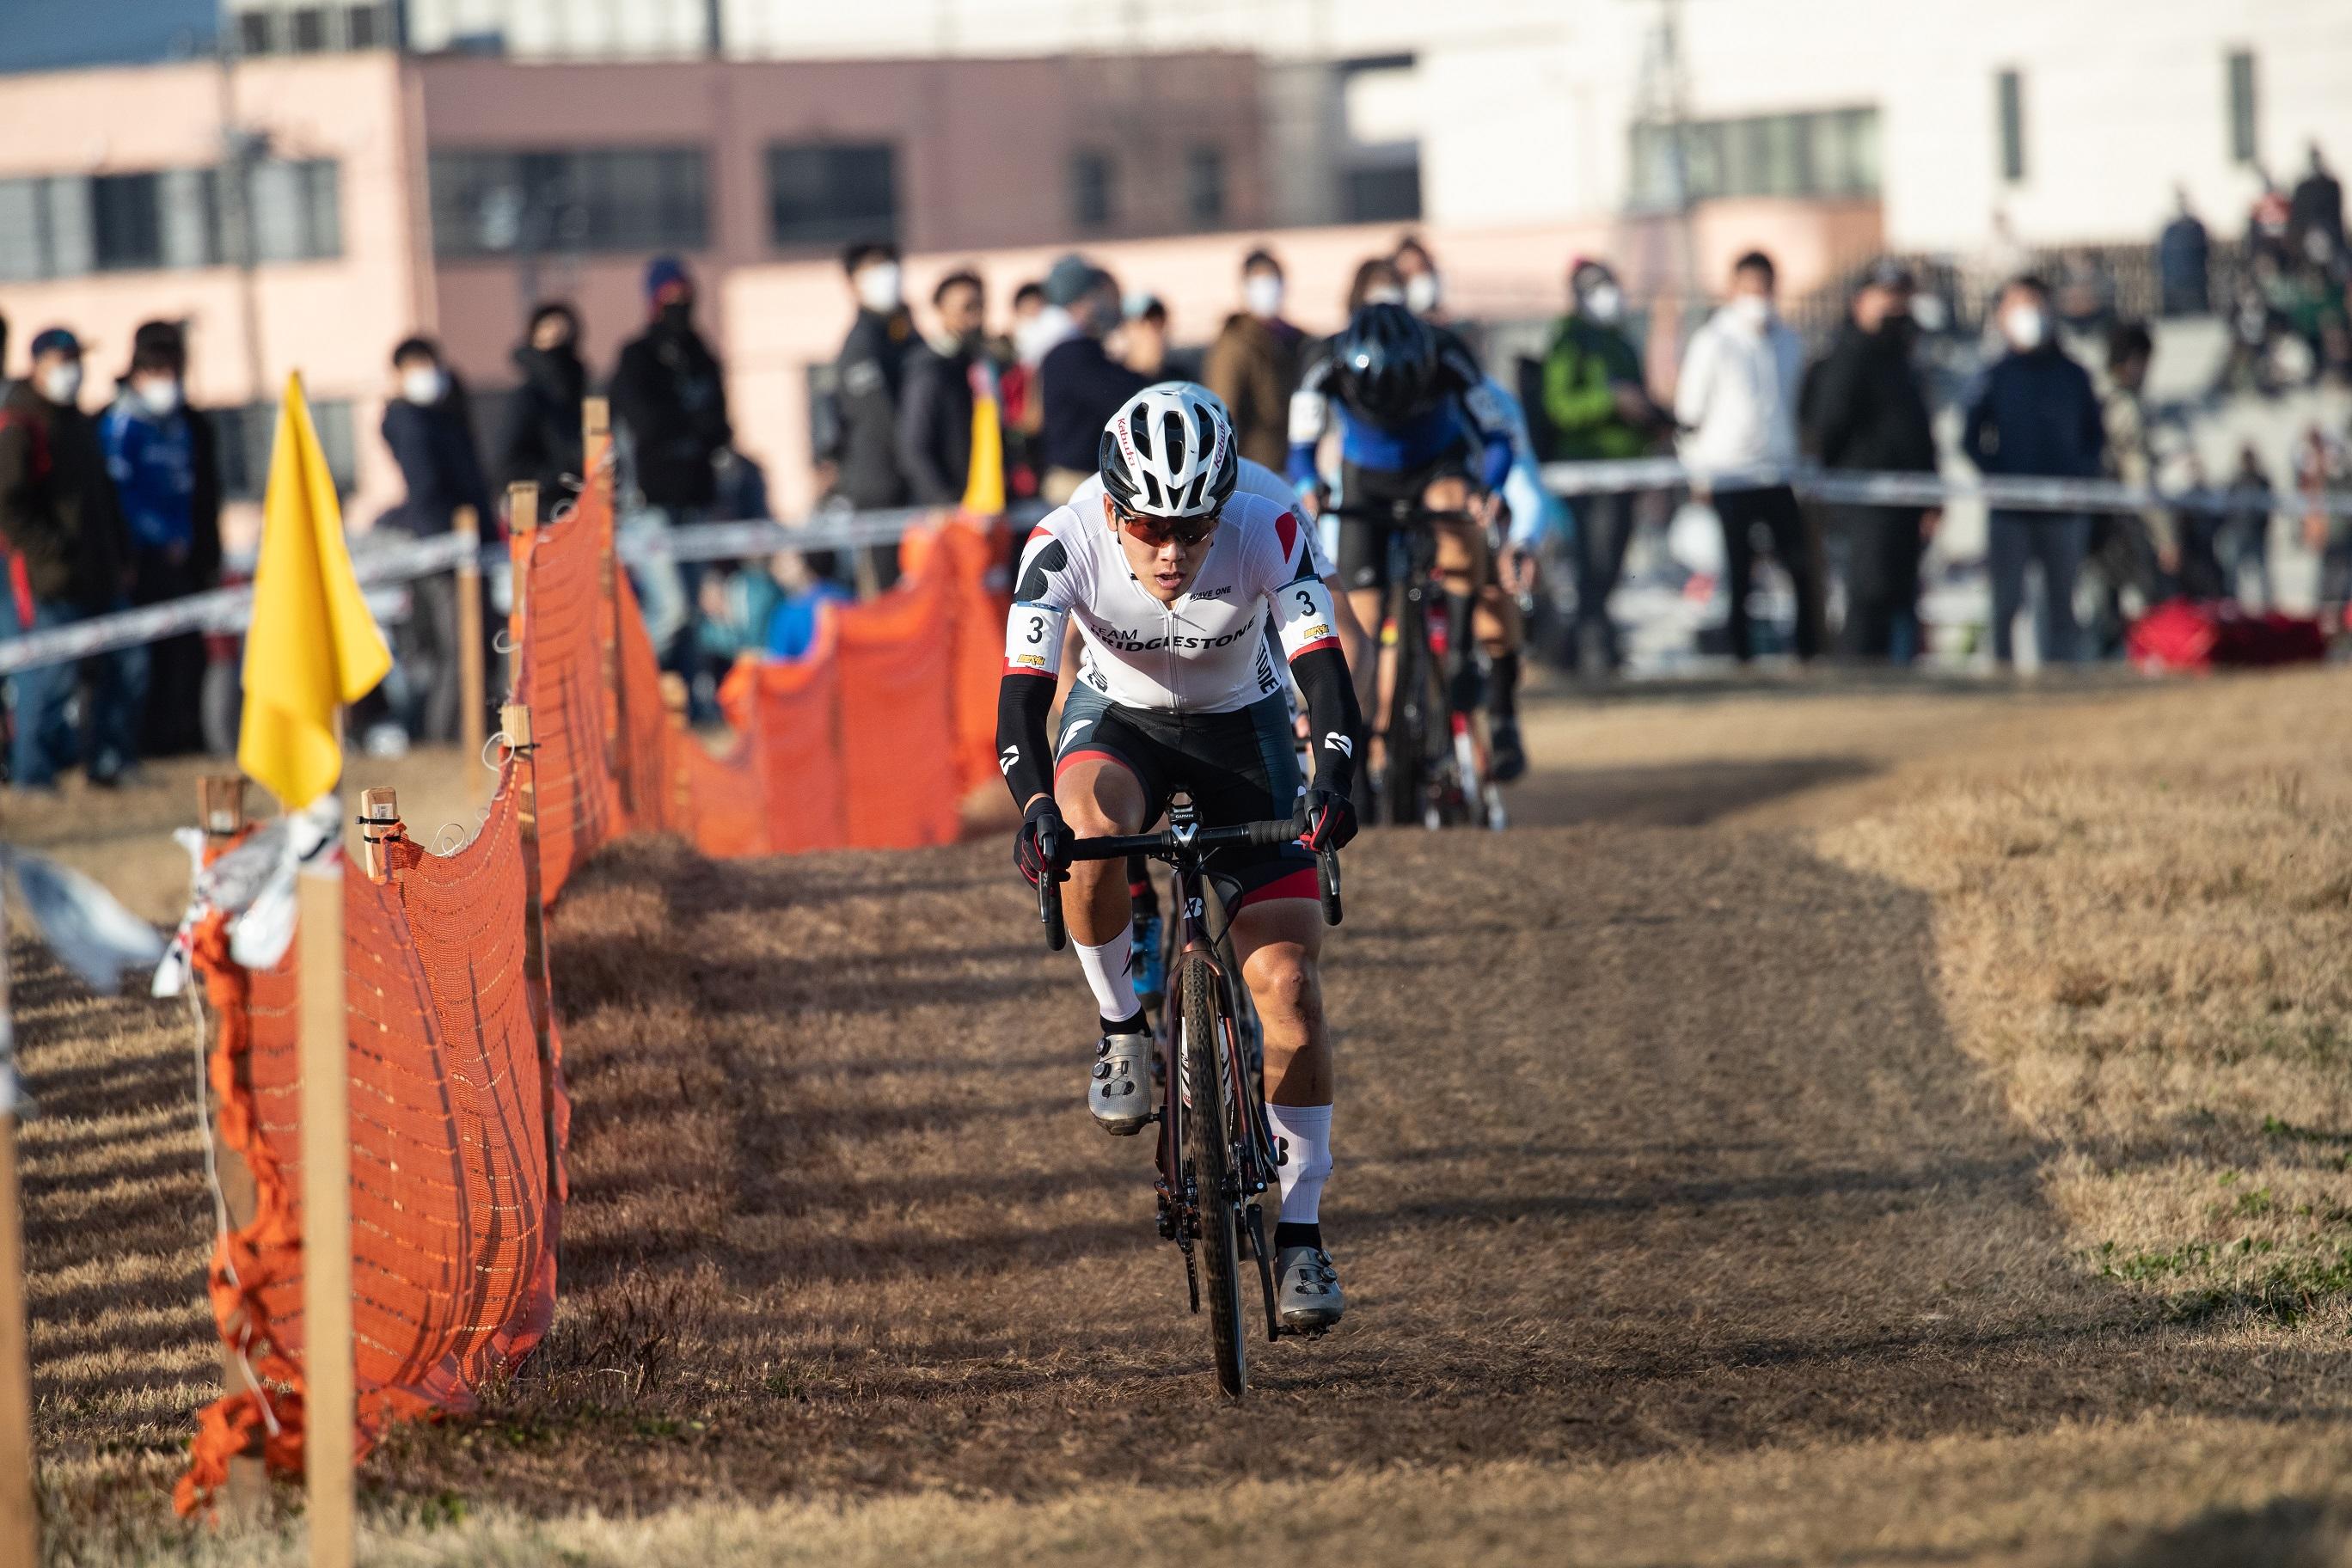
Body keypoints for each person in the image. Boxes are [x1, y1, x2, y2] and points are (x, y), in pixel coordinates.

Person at [999, 383, 1363, 1331]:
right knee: (1081, 831)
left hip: (1245, 728)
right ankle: (1124, 1023)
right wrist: (1035, 806)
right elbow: (1019, 706)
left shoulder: (1271, 519)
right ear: (1114, 507)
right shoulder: (1061, 541)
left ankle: (1301, 1233)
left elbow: (1323, 672)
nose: (1172, 553)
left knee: (1289, 988)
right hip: (1121, 724)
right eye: (1152, 527)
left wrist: (1333, 779)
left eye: (1194, 530)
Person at [1289, 303, 1527, 780]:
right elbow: (1301, 451)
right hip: (1367, 483)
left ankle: (1461, 653)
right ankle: (1364, 751)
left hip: (1439, 467)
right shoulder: (1322, 362)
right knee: (1364, 623)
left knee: (1454, 510)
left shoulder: (1449, 353)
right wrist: (1310, 486)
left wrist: (1490, 490)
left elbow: (1498, 438)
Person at [0, 328, 138, 790]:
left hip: (98, 574)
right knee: (49, 678)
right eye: (62, 360)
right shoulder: (20, 425)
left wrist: (119, 553)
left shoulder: (76, 422)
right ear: (37, 364)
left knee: (123, 668)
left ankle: (110, 762)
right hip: (49, 580)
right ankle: (33, 776)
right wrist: (51, 550)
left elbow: (103, 499)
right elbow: (8, 505)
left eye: (76, 359)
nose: (71, 371)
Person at [1675, 250, 1816, 663]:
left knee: (1797, 565)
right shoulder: (1713, 342)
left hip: (1778, 472)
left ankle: (1808, 654)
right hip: (1729, 474)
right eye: (1750, 287)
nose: (1759, 296)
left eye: (1765, 287)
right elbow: (1689, 416)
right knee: (1739, 572)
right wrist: (1698, 475)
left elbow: (1797, 410)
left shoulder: (1790, 342)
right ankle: (1742, 660)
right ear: (1732, 289)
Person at [1962, 275, 2106, 667]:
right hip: (2010, 511)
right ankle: (2003, 675)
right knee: (2005, 602)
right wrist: (1999, 476)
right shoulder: (1995, 376)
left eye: (2035, 304)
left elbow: (2095, 435)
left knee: (2064, 598)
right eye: (2019, 306)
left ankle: (2064, 675)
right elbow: (1970, 437)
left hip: (2063, 509)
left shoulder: (2073, 375)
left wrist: (2079, 475)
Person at [1800, 261, 1939, 662]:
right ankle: (1858, 682)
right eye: (1886, 297)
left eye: (1901, 298)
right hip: (1863, 500)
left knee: (1901, 597)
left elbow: (1916, 431)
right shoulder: (1845, 358)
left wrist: (1932, 492)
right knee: (1869, 596)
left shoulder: (1903, 359)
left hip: (1906, 501)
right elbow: (1826, 429)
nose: (1895, 308)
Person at [1537, 257, 1669, 673]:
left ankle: (1584, 649)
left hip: (1627, 469)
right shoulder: (1567, 342)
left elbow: (1638, 397)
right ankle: (1590, 653)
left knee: (1609, 566)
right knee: (1592, 568)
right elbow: (1560, 408)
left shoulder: (1619, 341)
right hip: (1586, 475)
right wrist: (1611, 401)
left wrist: (1655, 418)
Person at [100, 321, 221, 756]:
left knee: (186, 657)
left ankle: (183, 737)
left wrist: (189, 543)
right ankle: (145, 743)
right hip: (138, 562)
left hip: (180, 559)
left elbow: (191, 492)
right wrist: (135, 549)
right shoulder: (120, 424)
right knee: (138, 662)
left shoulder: (183, 426)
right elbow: (121, 498)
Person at [610, 255, 732, 661]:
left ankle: (690, 703)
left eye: (685, 294)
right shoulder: (636, 357)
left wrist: (692, 428)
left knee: (696, 613)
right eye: (671, 296)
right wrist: (689, 425)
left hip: (695, 499)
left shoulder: (702, 354)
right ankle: (636, 685)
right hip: (649, 504)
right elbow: (646, 422)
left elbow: (720, 425)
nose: (680, 304)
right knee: (670, 609)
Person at [377, 335, 490, 744]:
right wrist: (449, 537)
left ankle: (464, 728)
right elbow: (427, 489)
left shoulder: (448, 413)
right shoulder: (410, 421)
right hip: (440, 548)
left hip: (468, 541)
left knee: (471, 646)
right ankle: (445, 734)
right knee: (458, 647)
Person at [2089, 321, 2176, 650]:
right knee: (2148, 606)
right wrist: (2165, 537)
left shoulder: (2097, 399)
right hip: (2125, 525)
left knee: (2104, 610)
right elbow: (2139, 477)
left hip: (2097, 523)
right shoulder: (2126, 408)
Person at [1036, 254, 1147, 504]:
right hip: (1076, 483)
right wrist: (1145, 363)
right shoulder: (1070, 352)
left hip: (1084, 478)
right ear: (1082, 300)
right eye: (1104, 295)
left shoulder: (1076, 350)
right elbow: (1126, 402)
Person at [1204, 248, 1306, 471]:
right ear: (1245, 287)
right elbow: (1224, 412)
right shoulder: (1234, 343)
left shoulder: (1297, 341)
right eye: (1259, 281)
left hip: (1295, 466)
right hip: (1253, 469)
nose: (1267, 288)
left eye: (1272, 279)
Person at [897, 269, 989, 508]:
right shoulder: (930, 370)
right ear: (941, 311)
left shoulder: (982, 364)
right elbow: (915, 446)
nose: (976, 317)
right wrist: (945, 501)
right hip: (955, 511)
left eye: (980, 306)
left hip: (989, 505)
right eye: (967, 308)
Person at [498, 302, 587, 503]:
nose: (557, 337)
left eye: (563, 335)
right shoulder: (527, 398)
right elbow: (509, 469)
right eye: (549, 333)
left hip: (585, 510)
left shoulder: (581, 395)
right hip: (542, 512)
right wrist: (563, 474)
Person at [2219, 443, 2275, 606]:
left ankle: (2267, 608)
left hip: (2257, 534)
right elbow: (2227, 507)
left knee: (2263, 576)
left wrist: (2265, 529)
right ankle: (2231, 604)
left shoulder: (2262, 480)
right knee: (2232, 575)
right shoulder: (2235, 481)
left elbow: (2268, 508)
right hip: (2237, 533)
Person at [2288, 144, 2346, 277]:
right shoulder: (2303, 187)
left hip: (2328, 234)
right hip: (2306, 235)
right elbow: (2297, 216)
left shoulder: (2331, 186)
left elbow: (2336, 216)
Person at [2157, 188, 2211, 317]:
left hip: (2195, 283)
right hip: (2174, 285)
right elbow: (2163, 257)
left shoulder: (2196, 227)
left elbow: (2204, 253)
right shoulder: (2170, 229)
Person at [1392, 235, 1447, 322]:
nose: (1410, 263)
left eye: (1413, 258)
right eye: (1406, 259)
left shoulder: (1425, 281)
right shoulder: (1391, 282)